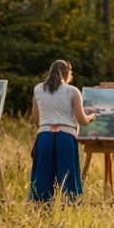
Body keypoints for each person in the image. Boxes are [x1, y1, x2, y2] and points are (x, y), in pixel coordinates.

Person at [29, 59, 96, 202]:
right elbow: (81, 120)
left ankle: (42, 211)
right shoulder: (73, 91)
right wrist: (91, 117)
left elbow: (36, 118)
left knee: (43, 178)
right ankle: (68, 211)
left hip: (44, 135)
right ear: (68, 73)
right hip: (65, 137)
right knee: (68, 178)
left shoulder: (38, 89)